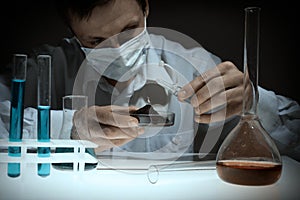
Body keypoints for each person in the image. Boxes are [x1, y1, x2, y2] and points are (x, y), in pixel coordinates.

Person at [0, 0, 299, 161]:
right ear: (73, 31)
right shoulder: (46, 69)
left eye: (129, 29)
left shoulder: (190, 64)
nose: (117, 50)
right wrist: (68, 129)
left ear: (145, 7)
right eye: (96, 40)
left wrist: (253, 103)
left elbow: (296, 129)